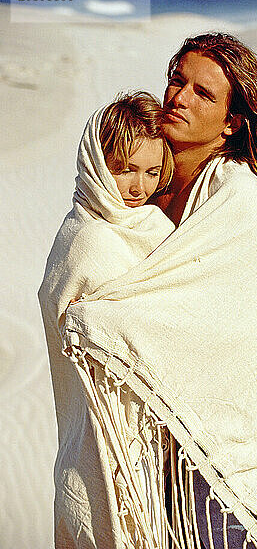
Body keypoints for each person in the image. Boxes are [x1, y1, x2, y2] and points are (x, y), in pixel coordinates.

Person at [63, 33, 257, 549]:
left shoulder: (239, 199)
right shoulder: (143, 188)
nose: (178, 97)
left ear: (231, 121)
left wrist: (94, 320)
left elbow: (205, 324)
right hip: (162, 452)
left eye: (202, 93)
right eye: (175, 81)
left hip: (236, 464)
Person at [38, 91, 175, 548]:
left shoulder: (157, 227)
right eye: (125, 170)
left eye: (152, 172)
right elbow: (61, 311)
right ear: (98, 163)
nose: (138, 187)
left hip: (152, 441)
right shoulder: (85, 236)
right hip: (96, 435)